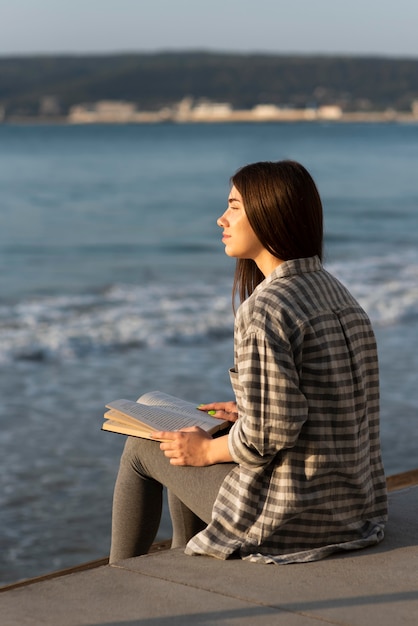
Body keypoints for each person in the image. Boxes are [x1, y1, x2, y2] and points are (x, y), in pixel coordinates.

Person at [109, 160, 388, 565]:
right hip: (352, 506)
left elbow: (268, 435)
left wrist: (207, 452)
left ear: (269, 214)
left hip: (291, 518)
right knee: (154, 402)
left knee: (141, 446)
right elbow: (328, 405)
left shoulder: (266, 309)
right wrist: (246, 412)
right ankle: (183, 554)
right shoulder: (334, 291)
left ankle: (118, 577)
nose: (221, 218)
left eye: (234, 206)